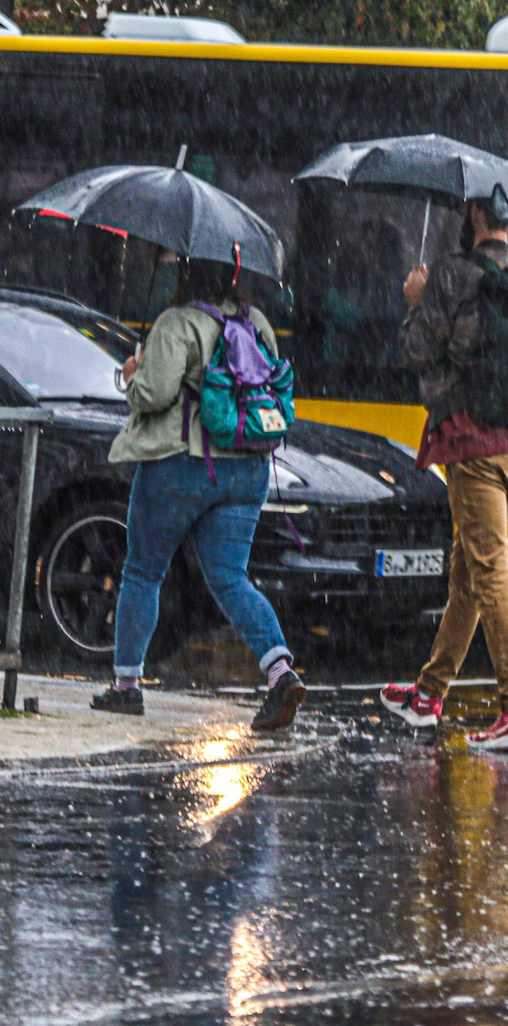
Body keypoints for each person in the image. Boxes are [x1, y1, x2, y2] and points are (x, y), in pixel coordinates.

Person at [378, 188, 508, 751]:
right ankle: (428, 694)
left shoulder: (453, 275)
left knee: (488, 569)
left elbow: (414, 352)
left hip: (470, 440)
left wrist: (416, 301)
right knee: (467, 570)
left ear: (474, 218)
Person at [93, 254, 306, 729]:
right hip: (247, 468)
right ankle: (280, 672)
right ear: (232, 276)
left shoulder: (177, 322)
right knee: (231, 578)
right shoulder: (257, 322)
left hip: (182, 465)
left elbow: (154, 394)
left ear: (186, 274)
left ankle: (127, 687)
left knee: (144, 572)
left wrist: (132, 375)